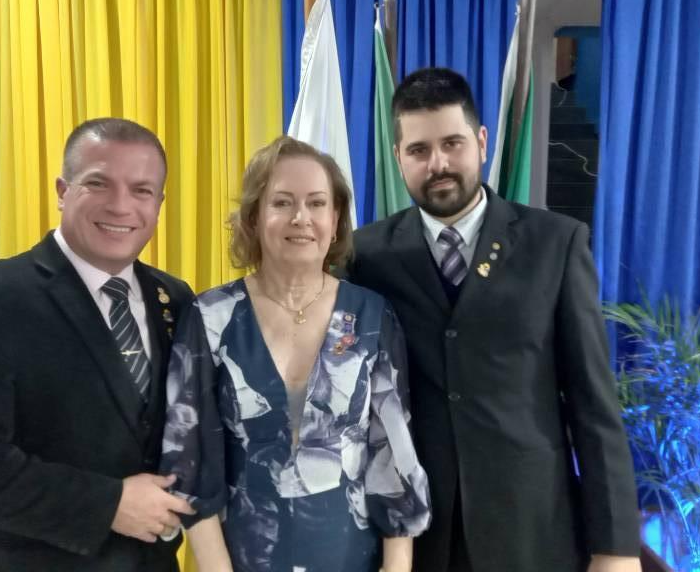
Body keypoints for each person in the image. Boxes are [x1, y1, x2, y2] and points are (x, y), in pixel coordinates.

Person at [342, 67, 641, 571]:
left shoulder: (556, 244)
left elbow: (593, 403)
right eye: (419, 150)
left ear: (481, 142)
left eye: (452, 144)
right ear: (398, 157)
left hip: (531, 531)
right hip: (414, 537)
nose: (438, 164)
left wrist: (615, 548)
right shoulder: (365, 257)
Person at [0, 118, 196, 572]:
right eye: (98, 183)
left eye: (141, 190)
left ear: (159, 204)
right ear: (63, 191)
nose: (121, 205)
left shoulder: (174, 298)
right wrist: (108, 504)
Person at [159, 135, 431, 572]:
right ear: (254, 217)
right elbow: (190, 464)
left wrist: (396, 567)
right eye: (282, 202)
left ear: (335, 219)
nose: (301, 217)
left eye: (317, 203)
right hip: (243, 560)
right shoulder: (209, 316)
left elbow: (394, 456)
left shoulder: (372, 315)